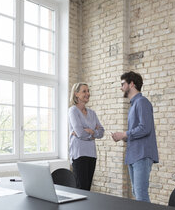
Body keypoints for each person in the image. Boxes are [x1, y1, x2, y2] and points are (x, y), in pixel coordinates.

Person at [112, 71, 158, 202]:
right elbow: (138, 131)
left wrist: (124, 134)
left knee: (141, 195)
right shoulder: (134, 105)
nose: (121, 87)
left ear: (131, 84)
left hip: (142, 155)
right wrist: (122, 137)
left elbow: (145, 128)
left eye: (123, 84)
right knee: (136, 193)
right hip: (134, 155)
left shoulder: (142, 102)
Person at [68, 82, 104, 191]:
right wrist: (92, 134)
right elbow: (80, 132)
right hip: (79, 154)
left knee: (87, 189)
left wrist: (91, 132)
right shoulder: (73, 110)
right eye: (84, 91)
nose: (87, 93)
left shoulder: (92, 113)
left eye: (88, 91)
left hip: (91, 154)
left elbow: (101, 131)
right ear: (76, 94)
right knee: (81, 188)